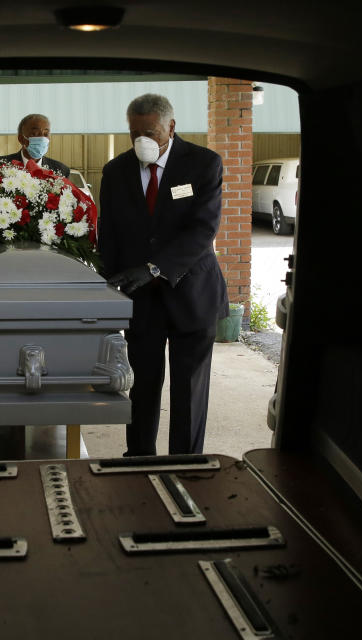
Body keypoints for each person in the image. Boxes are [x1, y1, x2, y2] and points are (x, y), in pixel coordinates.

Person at [99, 93, 228, 456]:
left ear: (171, 126)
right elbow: (108, 232)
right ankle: (138, 459)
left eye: (152, 132)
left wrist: (154, 268)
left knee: (189, 390)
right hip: (140, 301)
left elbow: (203, 230)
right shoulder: (116, 171)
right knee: (142, 386)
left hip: (193, 296)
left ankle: (184, 465)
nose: (143, 140)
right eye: (134, 132)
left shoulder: (203, 164)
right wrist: (110, 285)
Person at [0, 113, 70, 177]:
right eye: (34, 134)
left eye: (45, 134)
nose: (41, 138)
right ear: (21, 138)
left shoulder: (61, 170)